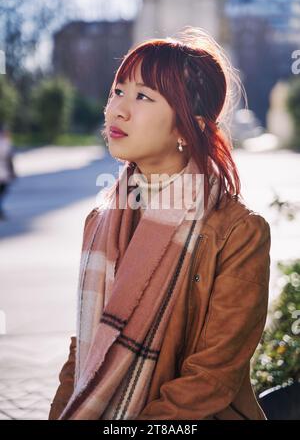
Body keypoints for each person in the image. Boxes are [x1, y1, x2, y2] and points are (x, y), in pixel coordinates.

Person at [48, 27, 271, 420]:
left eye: (143, 97)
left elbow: (212, 376)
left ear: (188, 125)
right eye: (118, 91)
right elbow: (85, 347)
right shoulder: (101, 220)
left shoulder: (238, 232)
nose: (118, 110)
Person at [0, 124, 16, 220]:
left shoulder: (5, 142)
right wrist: (12, 171)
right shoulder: (5, 142)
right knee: (2, 191)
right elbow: (9, 158)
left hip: (3, 170)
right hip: (3, 171)